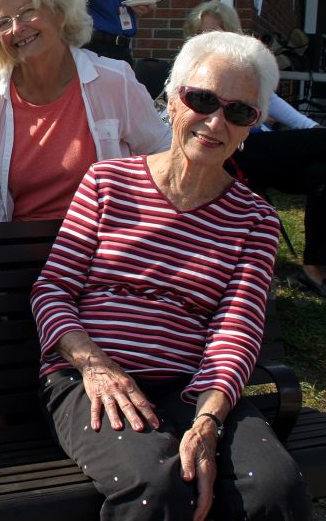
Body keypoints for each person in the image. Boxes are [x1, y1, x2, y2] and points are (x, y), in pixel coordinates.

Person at [31, 30, 311, 520]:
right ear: (172, 100)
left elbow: (236, 330)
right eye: (201, 99)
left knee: (274, 488)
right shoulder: (106, 183)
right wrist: (95, 367)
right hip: (90, 377)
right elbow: (53, 289)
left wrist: (207, 420)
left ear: (253, 126)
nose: (215, 120)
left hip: (190, 383)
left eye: (238, 111)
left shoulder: (255, 220)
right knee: (155, 488)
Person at [0, 0, 169, 224]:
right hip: (22, 249)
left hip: (106, 245)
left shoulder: (113, 80)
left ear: (59, 14)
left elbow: (163, 152)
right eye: (3, 22)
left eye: (27, 11)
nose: (17, 28)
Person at [184, 0, 326, 296]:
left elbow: (282, 109)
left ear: (231, 32)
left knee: (321, 176)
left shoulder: (246, 71)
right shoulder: (193, 71)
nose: (210, 41)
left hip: (263, 154)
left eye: (217, 33)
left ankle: (314, 268)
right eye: (202, 34)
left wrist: (311, 129)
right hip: (234, 152)